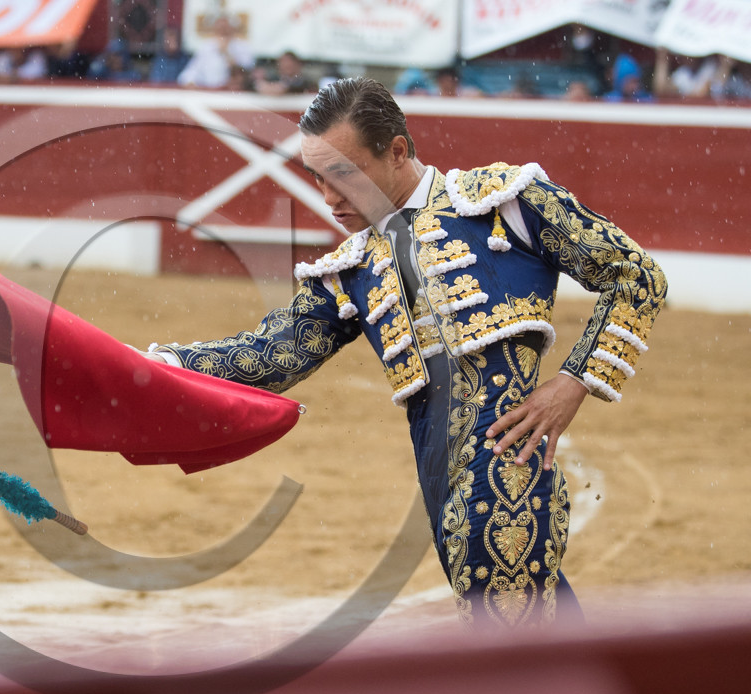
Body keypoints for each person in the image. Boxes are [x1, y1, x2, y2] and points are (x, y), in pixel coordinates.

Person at [139, 77, 667, 629]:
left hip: (510, 463)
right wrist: (157, 367)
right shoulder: (353, 268)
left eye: (343, 174)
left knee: (508, 641)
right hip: (437, 475)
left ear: (396, 152)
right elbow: (273, 353)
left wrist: (573, 381)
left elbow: (636, 276)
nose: (328, 197)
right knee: (538, 632)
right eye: (317, 178)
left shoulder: (504, 203)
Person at [177, 14, 254, 89]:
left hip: (234, 94)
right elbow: (192, 71)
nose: (223, 32)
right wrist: (189, 81)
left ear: (232, 29)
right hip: (212, 94)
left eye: (225, 28)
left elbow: (247, 72)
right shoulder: (206, 47)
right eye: (220, 29)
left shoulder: (242, 47)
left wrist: (226, 53)